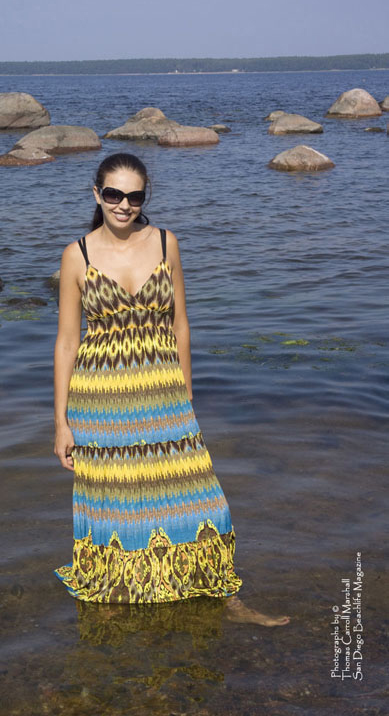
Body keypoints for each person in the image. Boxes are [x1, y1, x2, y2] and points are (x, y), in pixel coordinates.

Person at [53, 152, 290, 626]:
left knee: (201, 500)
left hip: (164, 391)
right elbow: (66, 342)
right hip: (100, 400)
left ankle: (226, 599)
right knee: (116, 504)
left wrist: (186, 390)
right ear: (96, 194)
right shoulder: (77, 255)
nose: (123, 205)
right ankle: (112, 604)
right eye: (113, 194)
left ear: (145, 198)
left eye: (134, 196)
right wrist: (61, 422)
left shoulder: (166, 243)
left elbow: (181, 325)